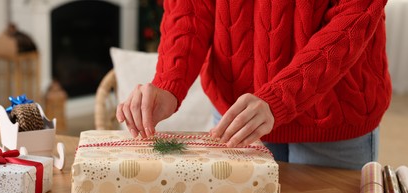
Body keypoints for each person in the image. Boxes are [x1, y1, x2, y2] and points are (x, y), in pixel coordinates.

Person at [116, 0, 392, 170]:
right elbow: (190, 8)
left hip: (335, 114)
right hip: (238, 116)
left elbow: (355, 16)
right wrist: (169, 82)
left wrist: (280, 98)